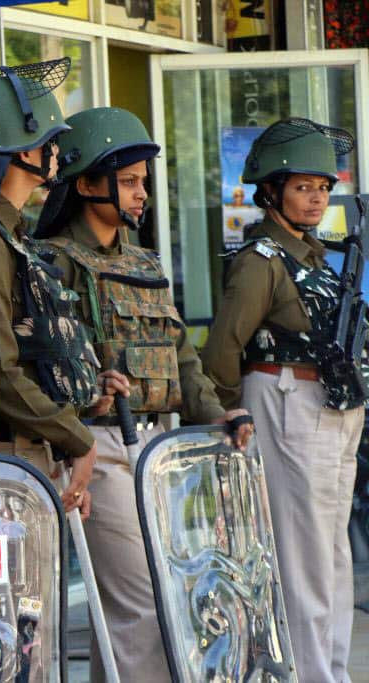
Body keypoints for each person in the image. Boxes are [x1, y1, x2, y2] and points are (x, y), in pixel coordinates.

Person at [34, 106, 253, 681]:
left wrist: (219, 412)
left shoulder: (144, 260)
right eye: (128, 181)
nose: (141, 194)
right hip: (96, 445)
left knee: (156, 603)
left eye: (142, 182)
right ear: (85, 183)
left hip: (157, 446)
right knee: (139, 606)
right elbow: (43, 365)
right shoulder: (52, 262)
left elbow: (180, 355)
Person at [202, 117, 363, 683]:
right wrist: (227, 410)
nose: (317, 197)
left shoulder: (312, 254)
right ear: (270, 191)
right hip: (286, 398)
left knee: (332, 558)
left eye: (323, 186)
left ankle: (331, 671)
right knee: (305, 560)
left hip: (330, 406)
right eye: (302, 186)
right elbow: (223, 346)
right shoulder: (263, 259)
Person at [0, 60, 120, 519]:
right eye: (49, 141)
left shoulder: (11, 237)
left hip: (34, 449)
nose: (57, 152)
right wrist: (77, 439)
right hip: (6, 454)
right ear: (21, 150)